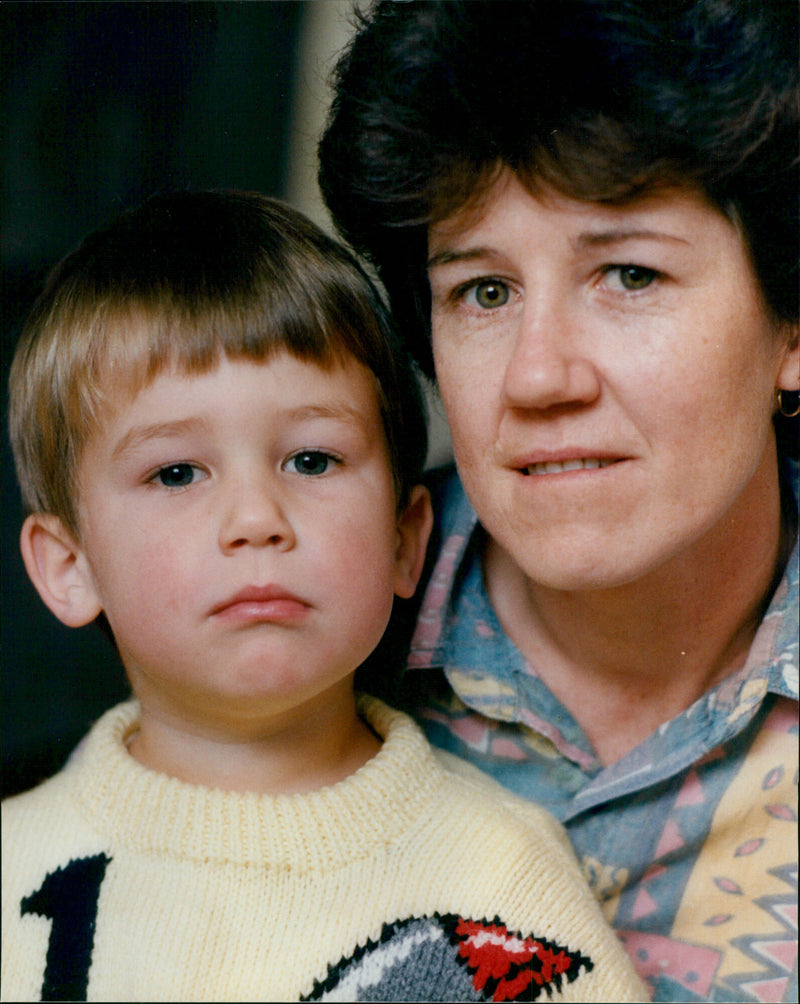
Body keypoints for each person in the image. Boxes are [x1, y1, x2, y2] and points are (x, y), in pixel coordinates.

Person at [1, 191, 647, 1003]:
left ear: (406, 540)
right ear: (69, 565)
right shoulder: (14, 872)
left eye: (311, 460)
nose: (256, 519)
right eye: (175, 473)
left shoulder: (500, 885)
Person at [317, 2, 799, 1001]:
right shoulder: (304, 627)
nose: (538, 377)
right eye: (482, 293)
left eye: (627, 274)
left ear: (788, 329)